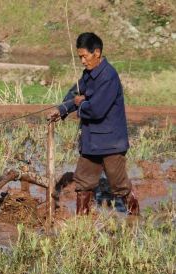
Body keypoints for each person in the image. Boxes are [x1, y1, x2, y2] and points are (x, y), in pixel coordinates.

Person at [49, 32, 139, 215]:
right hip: (91, 141)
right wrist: (61, 109)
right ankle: (82, 224)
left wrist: (80, 103)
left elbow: (96, 110)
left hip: (110, 143)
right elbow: (75, 92)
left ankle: (134, 217)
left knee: (119, 185)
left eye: (84, 56)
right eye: (80, 56)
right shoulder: (88, 74)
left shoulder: (109, 76)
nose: (82, 61)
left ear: (96, 53)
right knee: (83, 183)